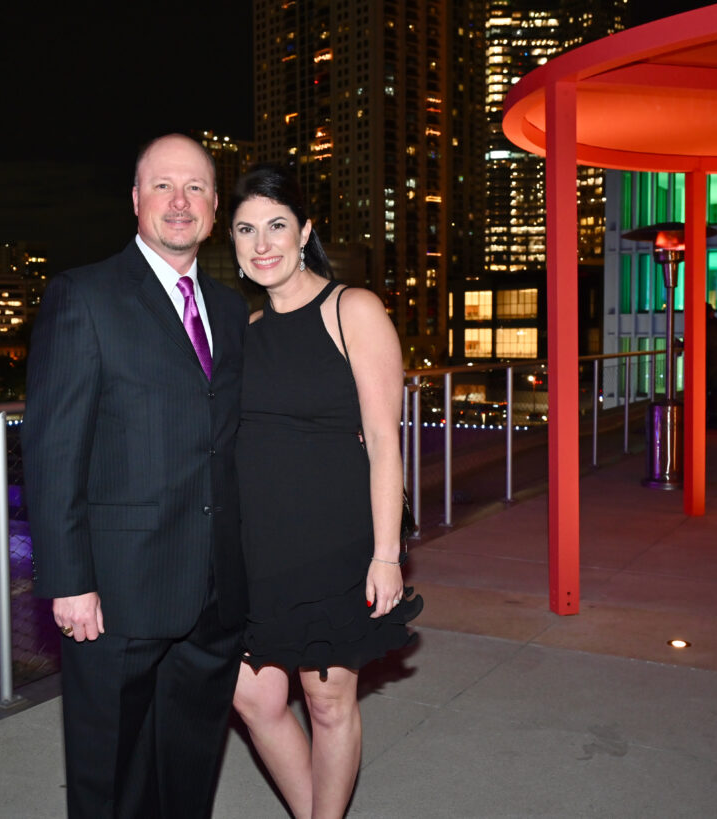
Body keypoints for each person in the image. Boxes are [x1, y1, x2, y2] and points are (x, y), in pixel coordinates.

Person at [22, 133, 248, 818]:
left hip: (213, 595)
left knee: (189, 768)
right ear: (135, 200)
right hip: (117, 591)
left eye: (196, 188)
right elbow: (53, 448)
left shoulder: (231, 308)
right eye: (162, 186)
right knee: (109, 772)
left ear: (213, 209)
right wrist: (68, 580)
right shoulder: (82, 296)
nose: (179, 202)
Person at [228, 164, 422, 818]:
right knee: (253, 698)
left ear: (305, 230)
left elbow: (384, 439)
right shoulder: (245, 333)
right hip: (260, 551)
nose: (262, 243)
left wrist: (388, 554)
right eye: (246, 229)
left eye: (276, 225)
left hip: (335, 545)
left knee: (328, 701)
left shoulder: (352, 309)